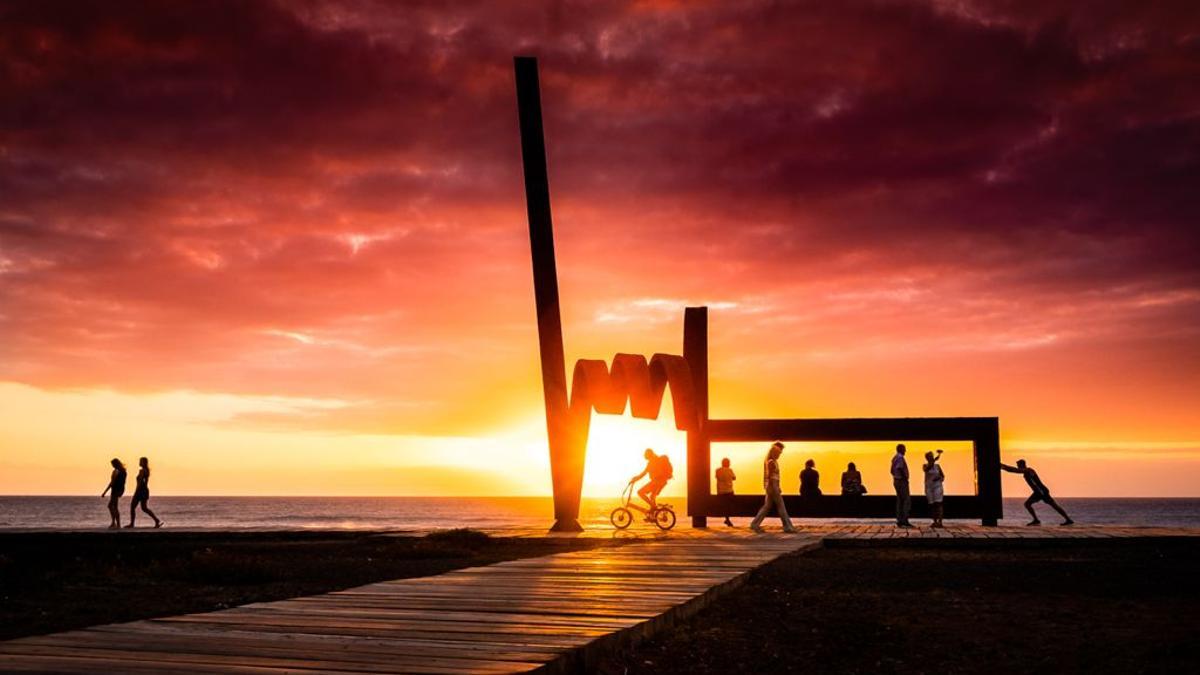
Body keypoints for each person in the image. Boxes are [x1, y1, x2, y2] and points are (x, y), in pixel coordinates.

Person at [1001, 459, 1073, 526]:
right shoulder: (1026, 471)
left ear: (1022, 465)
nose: (1017, 467)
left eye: (1018, 465)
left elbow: (1013, 470)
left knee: (1053, 505)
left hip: (1041, 491)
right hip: (1038, 491)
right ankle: (1037, 520)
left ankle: (1067, 520)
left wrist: (1002, 466)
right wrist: (1003, 466)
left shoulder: (1028, 470)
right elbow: (1013, 470)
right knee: (1029, 504)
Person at [750, 441, 796, 533]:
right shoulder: (771, 462)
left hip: (771, 487)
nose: (780, 454)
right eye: (779, 453)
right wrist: (776, 488)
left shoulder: (771, 461)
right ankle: (787, 526)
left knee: (767, 506)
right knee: (781, 506)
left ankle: (754, 524)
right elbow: (771, 477)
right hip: (773, 487)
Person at [628, 448, 672, 521]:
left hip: (656, 482)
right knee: (652, 496)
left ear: (648, 455)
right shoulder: (656, 460)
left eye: (645, 455)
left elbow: (643, 474)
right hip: (662, 482)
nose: (644, 456)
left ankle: (653, 507)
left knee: (640, 492)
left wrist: (635, 479)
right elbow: (643, 474)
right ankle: (652, 516)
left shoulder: (651, 463)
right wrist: (635, 478)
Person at [127, 456, 163, 529]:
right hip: (145, 490)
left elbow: (140, 482)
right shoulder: (147, 470)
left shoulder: (142, 471)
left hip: (140, 490)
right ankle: (156, 520)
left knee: (132, 507)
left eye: (140, 461)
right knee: (144, 508)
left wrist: (136, 491)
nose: (139, 462)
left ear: (143, 462)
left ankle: (132, 524)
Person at [101, 458, 127, 530]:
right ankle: (114, 523)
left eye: (112, 464)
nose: (112, 466)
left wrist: (105, 492)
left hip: (115, 490)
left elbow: (112, 483)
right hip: (119, 489)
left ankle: (117, 524)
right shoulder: (123, 471)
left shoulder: (116, 471)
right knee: (112, 506)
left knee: (112, 506)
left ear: (115, 464)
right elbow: (123, 482)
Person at [891, 443, 912, 527]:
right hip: (901, 481)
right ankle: (905, 520)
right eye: (904, 449)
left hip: (896, 480)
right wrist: (904, 478)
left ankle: (900, 519)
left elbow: (891, 471)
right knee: (906, 500)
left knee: (900, 501)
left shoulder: (894, 458)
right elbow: (899, 468)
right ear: (901, 449)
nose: (905, 451)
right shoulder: (900, 457)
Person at [923, 450, 945, 528]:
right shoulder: (925, 465)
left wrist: (939, 478)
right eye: (929, 457)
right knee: (932, 504)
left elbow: (943, 476)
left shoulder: (937, 466)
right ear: (927, 458)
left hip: (937, 486)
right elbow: (926, 470)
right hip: (929, 487)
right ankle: (935, 522)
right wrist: (934, 460)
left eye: (931, 456)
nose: (930, 458)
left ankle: (940, 521)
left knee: (938, 503)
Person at [715, 458, 737, 527]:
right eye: (729, 463)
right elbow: (734, 478)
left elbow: (717, 477)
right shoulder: (730, 470)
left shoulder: (717, 470)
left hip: (720, 492)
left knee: (724, 505)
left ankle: (727, 519)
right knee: (729, 504)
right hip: (729, 491)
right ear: (727, 463)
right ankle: (727, 519)